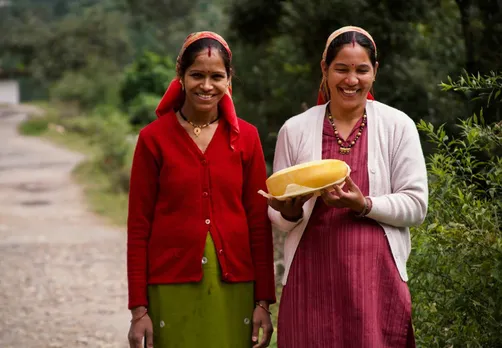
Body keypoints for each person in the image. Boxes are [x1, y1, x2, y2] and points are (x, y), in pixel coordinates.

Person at [268, 26, 428, 347]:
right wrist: (290, 208)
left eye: (361, 70)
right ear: (324, 70)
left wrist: (363, 204)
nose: (351, 80)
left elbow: (416, 206)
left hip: (376, 282)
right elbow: (282, 217)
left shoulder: (398, 126)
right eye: (341, 68)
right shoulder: (295, 130)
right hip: (309, 280)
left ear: (375, 73)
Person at [126, 31, 276, 348]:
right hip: (170, 284)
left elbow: (258, 223)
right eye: (197, 75)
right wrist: (139, 309)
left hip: (235, 285)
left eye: (216, 76)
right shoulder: (153, 139)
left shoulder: (246, 138)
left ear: (229, 79)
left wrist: (263, 301)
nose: (206, 86)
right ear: (180, 76)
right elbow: (138, 227)